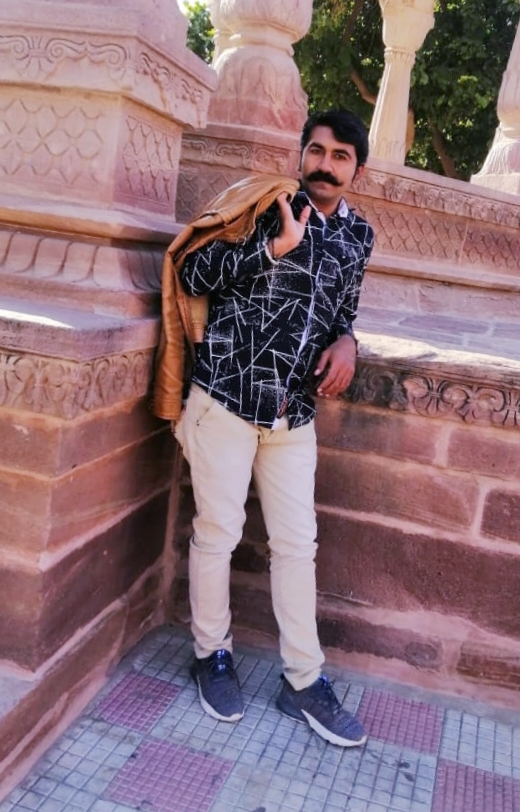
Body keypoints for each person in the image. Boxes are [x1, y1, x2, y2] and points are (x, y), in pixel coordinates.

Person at [174, 108, 374, 748]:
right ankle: (211, 655)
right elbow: (191, 274)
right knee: (218, 534)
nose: (324, 165)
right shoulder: (265, 206)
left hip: (293, 416)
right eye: (316, 150)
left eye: (339, 156)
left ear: (357, 170)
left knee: (297, 545)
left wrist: (348, 342)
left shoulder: (359, 236)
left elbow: (342, 312)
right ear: (301, 153)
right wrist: (272, 248)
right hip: (226, 398)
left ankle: (304, 681)